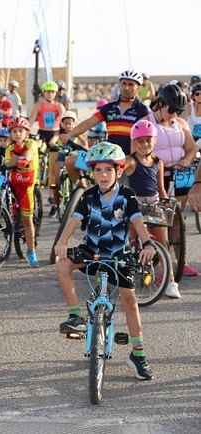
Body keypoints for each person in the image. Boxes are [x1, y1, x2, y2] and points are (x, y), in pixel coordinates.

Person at [54, 141, 156, 381]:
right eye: (98, 170)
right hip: (91, 252)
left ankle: (138, 354)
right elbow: (75, 220)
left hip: (118, 255)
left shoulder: (127, 196)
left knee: (129, 300)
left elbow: (138, 222)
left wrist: (148, 243)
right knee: (61, 265)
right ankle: (75, 315)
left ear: (119, 171)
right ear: (92, 172)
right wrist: (62, 241)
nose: (103, 175)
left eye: (109, 170)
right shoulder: (89, 196)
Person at [124, 120, 178, 297]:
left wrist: (165, 203)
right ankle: (126, 274)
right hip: (135, 205)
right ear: (134, 142)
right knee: (131, 242)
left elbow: (161, 188)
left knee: (163, 241)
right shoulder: (131, 161)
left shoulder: (158, 162)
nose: (144, 145)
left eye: (148, 140)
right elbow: (117, 170)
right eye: (140, 141)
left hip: (154, 203)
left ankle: (170, 281)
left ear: (154, 140)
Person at [150, 83, 198, 278]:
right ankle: (161, 264)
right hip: (157, 175)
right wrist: (158, 163)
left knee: (177, 220)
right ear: (160, 103)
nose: (173, 115)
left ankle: (181, 263)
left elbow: (192, 148)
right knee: (159, 222)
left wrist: (186, 161)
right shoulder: (147, 122)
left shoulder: (181, 123)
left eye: (177, 111)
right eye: (171, 110)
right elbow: (140, 151)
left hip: (180, 174)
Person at [60, 70, 149, 157]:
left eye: (131, 85)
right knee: (72, 162)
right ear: (119, 85)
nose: (126, 87)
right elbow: (89, 123)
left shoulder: (142, 110)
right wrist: (69, 134)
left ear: (138, 88)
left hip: (131, 156)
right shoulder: (109, 108)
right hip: (109, 154)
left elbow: (146, 137)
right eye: (124, 83)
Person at [5, 116, 40, 267]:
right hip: (14, 184)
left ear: (27, 133)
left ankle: (31, 251)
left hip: (27, 186)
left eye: (21, 131)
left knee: (27, 220)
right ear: (10, 134)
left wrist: (23, 158)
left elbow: (28, 155)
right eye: (14, 131)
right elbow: (9, 163)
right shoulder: (9, 148)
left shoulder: (31, 143)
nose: (18, 134)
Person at [28, 80, 65, 204]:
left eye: (53, 92)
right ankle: (36, 177)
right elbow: (31, 121)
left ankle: (53, 195)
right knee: (35, 148)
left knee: (54, 168)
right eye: (48, 92)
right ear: (43, 93)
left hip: (55, 133)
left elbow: (64, 125)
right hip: (42, 133)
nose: (50, 94)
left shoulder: (59, 106)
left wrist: (57, 137)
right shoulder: (38, 105)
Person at [49, 111, 89, 217]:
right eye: (65, 123)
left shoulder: (76, 133)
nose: (68, 125)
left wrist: (85, 148)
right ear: (61, 123)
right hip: (62, 154)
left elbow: (84, 142)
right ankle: (57, 188)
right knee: (57, 168)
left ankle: (82, 189)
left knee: (80, 171)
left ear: (74, 124)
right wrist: (54, 144)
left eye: (70, 123)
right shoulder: (59, 133)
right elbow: (53, 141)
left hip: (73, 154)